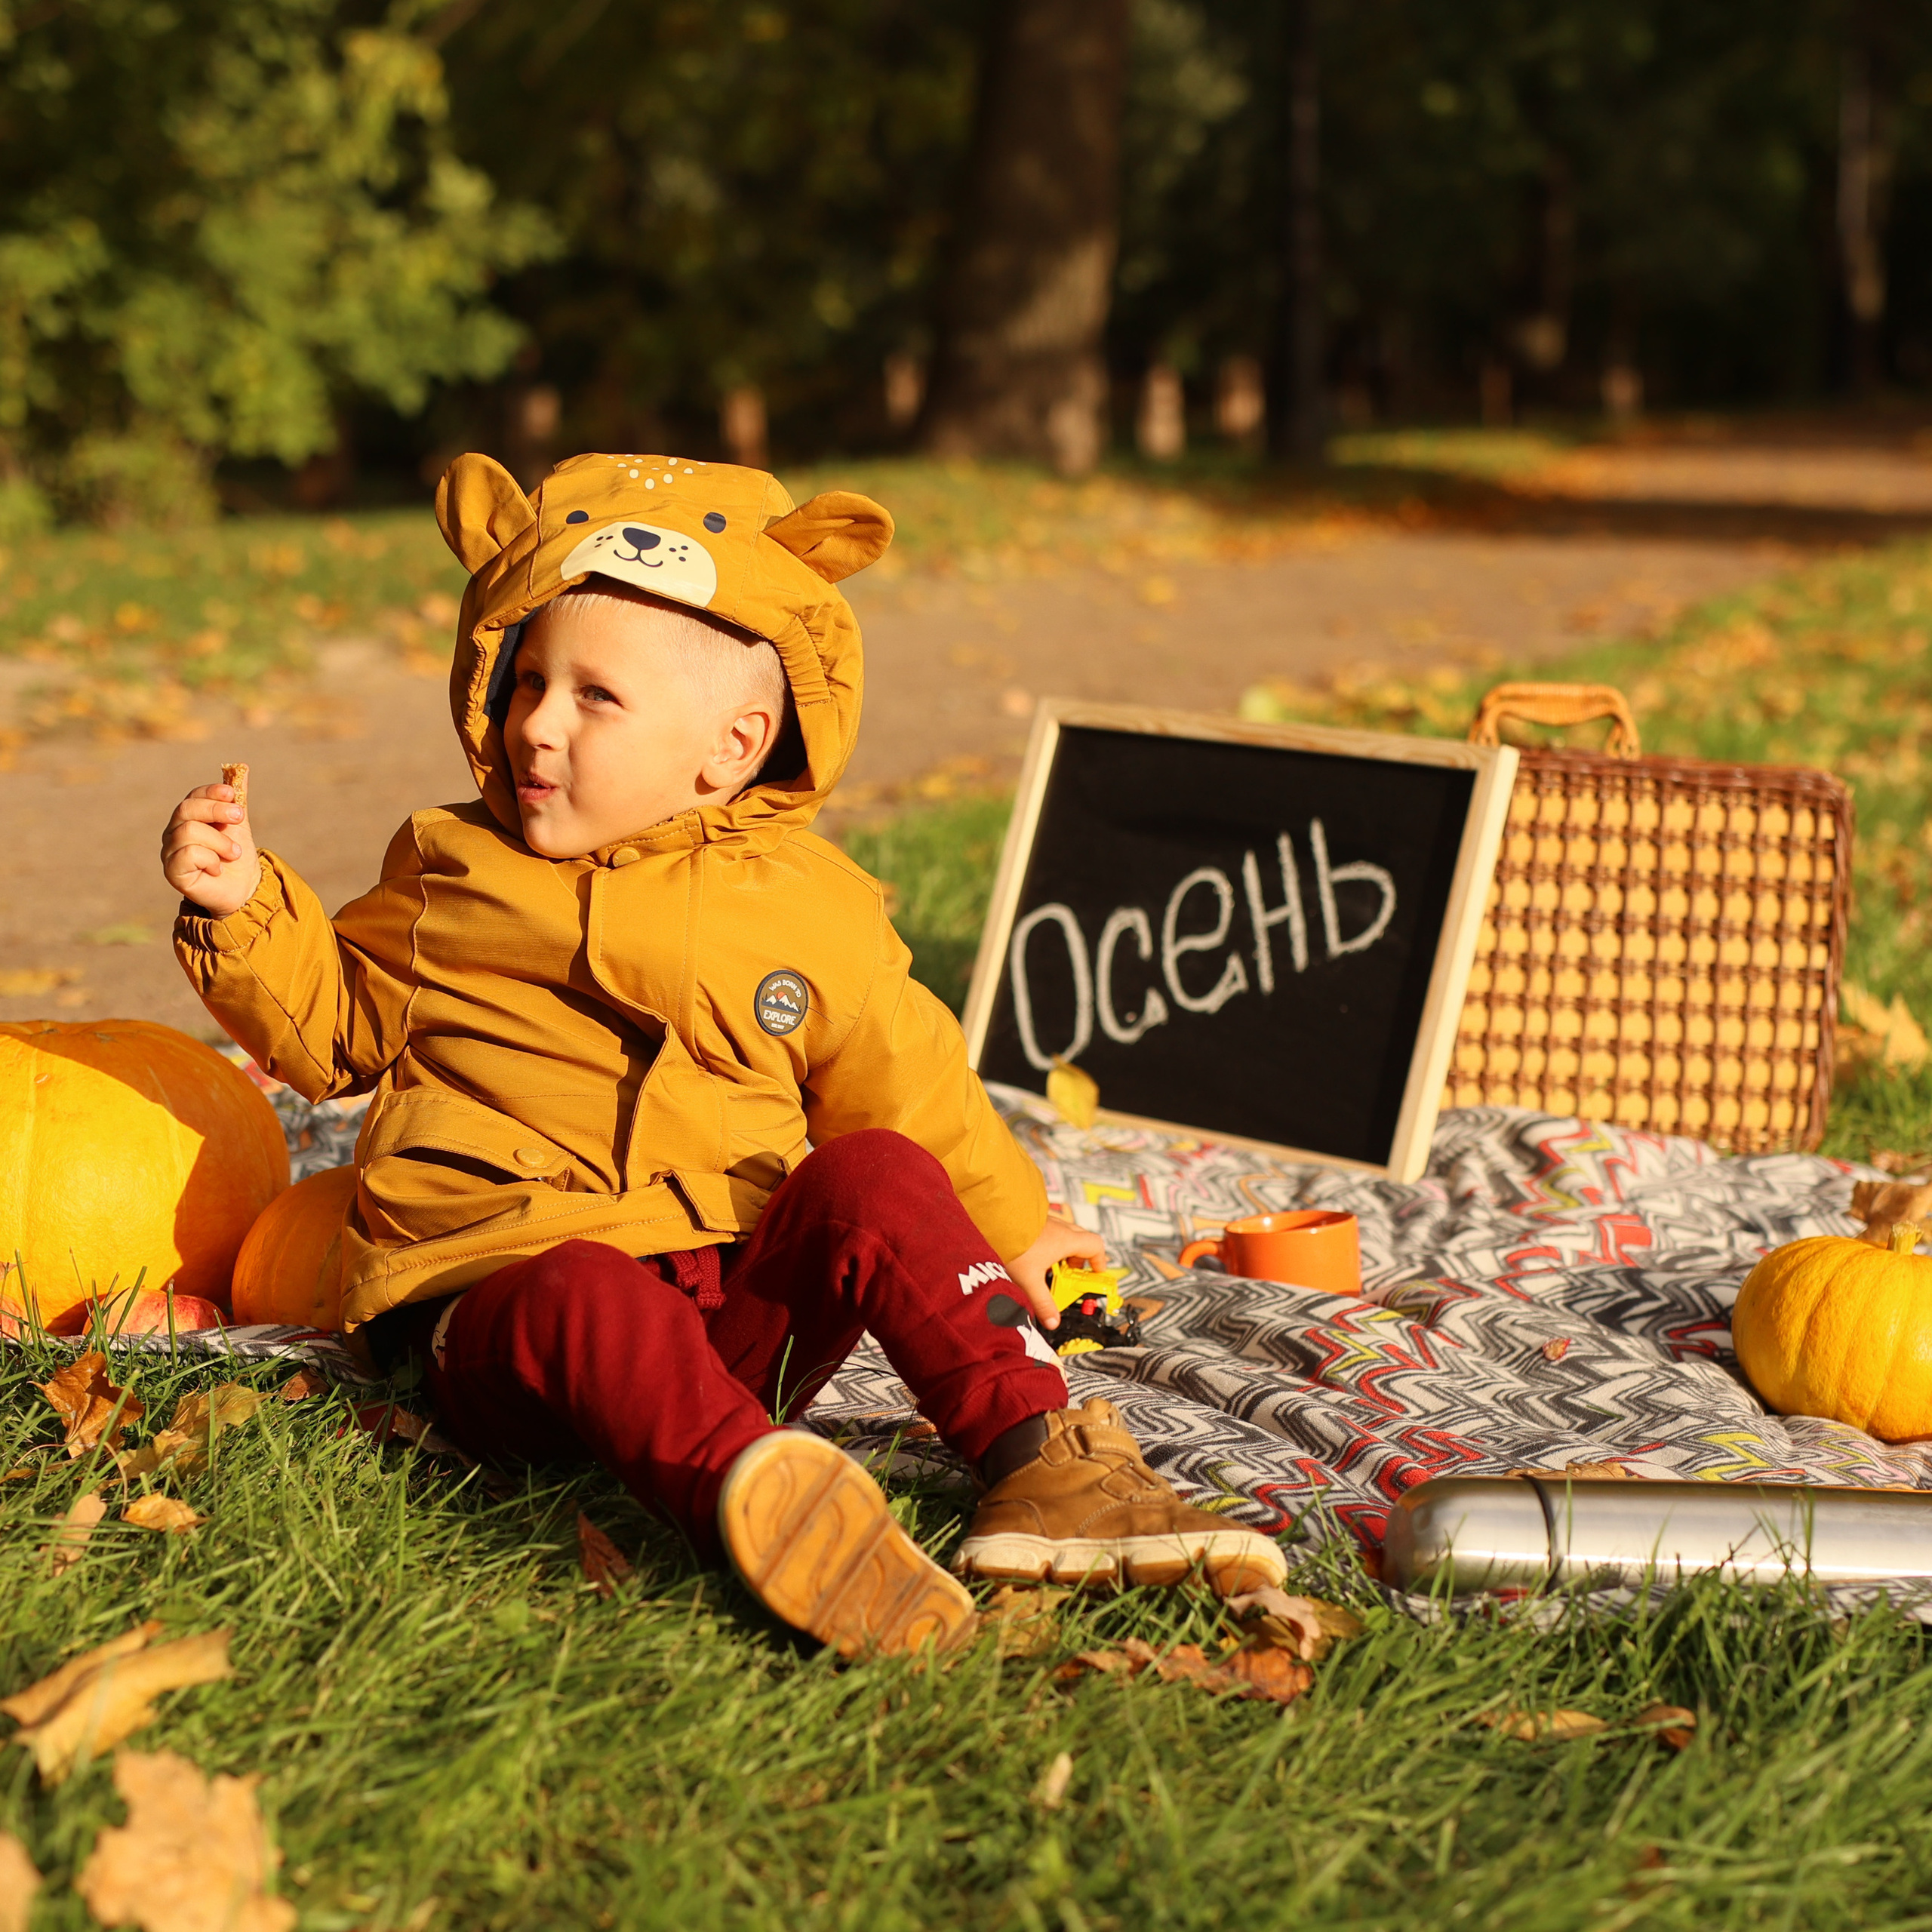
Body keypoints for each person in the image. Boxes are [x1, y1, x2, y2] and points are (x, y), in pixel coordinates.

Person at [160, 451, 1285, 1657]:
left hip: (723, 1306)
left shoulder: (805, 905)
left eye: (596, 699)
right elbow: (335, 1033)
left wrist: (1016, 1229)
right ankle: (767, 1502)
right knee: (580, 1285)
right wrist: (244, 915)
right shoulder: (452, 867)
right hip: (503, 1306)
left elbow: (910, 1086)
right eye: (527, 679)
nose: (536, 724)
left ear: (732, 745)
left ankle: (1041, 1461)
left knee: (879, 1176)